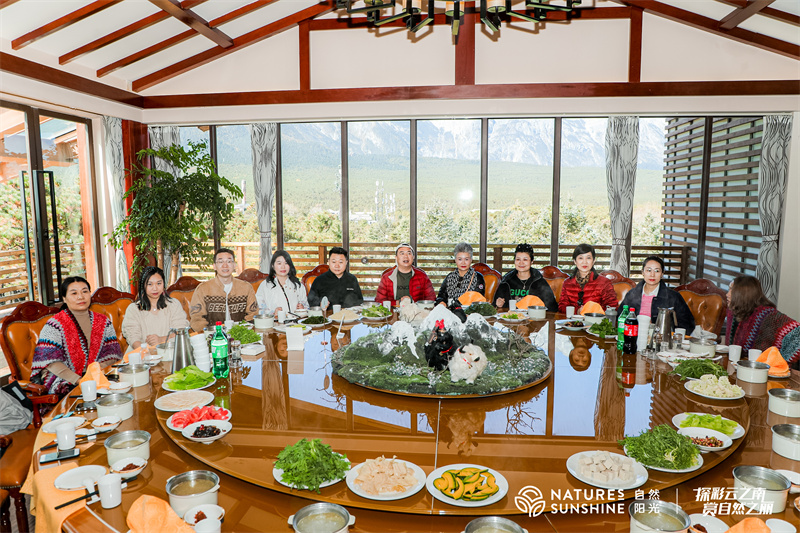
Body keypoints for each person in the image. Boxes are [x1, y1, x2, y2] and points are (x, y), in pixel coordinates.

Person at [31, 276, 122, 396]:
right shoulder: (54, 325)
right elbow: (51, 362)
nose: (80, 297)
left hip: (98, 374)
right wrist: (79, 380)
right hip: (65, 379)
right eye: (74, 293)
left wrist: (96, 372)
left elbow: (111, 353)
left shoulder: (103, 321)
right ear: (64, 298)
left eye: (85, 291)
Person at [725, 275, 800, 365]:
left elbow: (796, 333)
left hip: (764, 371)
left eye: (731, 291)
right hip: (744, 368)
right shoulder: (735, 313)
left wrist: (782, 363)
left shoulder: (768, 316)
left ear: (743, 295)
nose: (727, 294)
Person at [617, 256, 695, 331]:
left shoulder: (673, 297)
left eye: (657, 271)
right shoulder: (632, 294)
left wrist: (669, 334)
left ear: (662, 274)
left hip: (662, 340)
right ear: (643, 272)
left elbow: (688, 324)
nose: (652, 275)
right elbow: (620, 318)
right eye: (649, 270)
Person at [190, 248, 258, 332]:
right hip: (213, 337)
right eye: (221, 262)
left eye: (229, 261)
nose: (225, 265)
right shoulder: (203, 289)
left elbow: (253, 314)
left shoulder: (246, 287)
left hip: (241, 335)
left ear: (234, 265)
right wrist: (210, 334)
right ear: (214, 266)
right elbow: (197, 319)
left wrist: (242, 331)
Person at [121, 266, 189, 351]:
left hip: (170, 353)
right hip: (141, 356)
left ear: (164, 284)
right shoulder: (133, 309)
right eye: (150, 284)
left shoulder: (174, 305)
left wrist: (161, 340)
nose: (155, 288)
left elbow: (180, 332)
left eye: (159, 283)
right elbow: (133, 339)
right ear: (143, 286)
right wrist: (149, 354)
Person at [493, 243, 557, 312]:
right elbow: (494, 307)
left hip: (533, 320)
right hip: (511, 320)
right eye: (518, 259)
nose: (521, 263)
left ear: (532, 261)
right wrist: (498, 304)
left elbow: (552, 308)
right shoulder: (506, 281)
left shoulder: (539, 281)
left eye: (525, 259)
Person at [558, 243, 618, 314]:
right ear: (575, 261)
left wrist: (591, 312)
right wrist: (577, 311)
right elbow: (562, 306)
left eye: (588, 258)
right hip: (573, 323)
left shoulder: (604, 282)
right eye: (580, 258)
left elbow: (612, 306)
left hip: (595, 322)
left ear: (594, 260)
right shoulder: (567, 283)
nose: (584, 262)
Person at [256, 250, 309, 316]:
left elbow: (307, 306)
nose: (283, 267)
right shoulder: (265, 285)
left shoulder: (297, 285)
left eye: (286, 263)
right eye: (279, 263)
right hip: (274, 324)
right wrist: (273, 313)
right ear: (273, 266)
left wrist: (303, 308)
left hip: (296, 324)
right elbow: (259, 309)